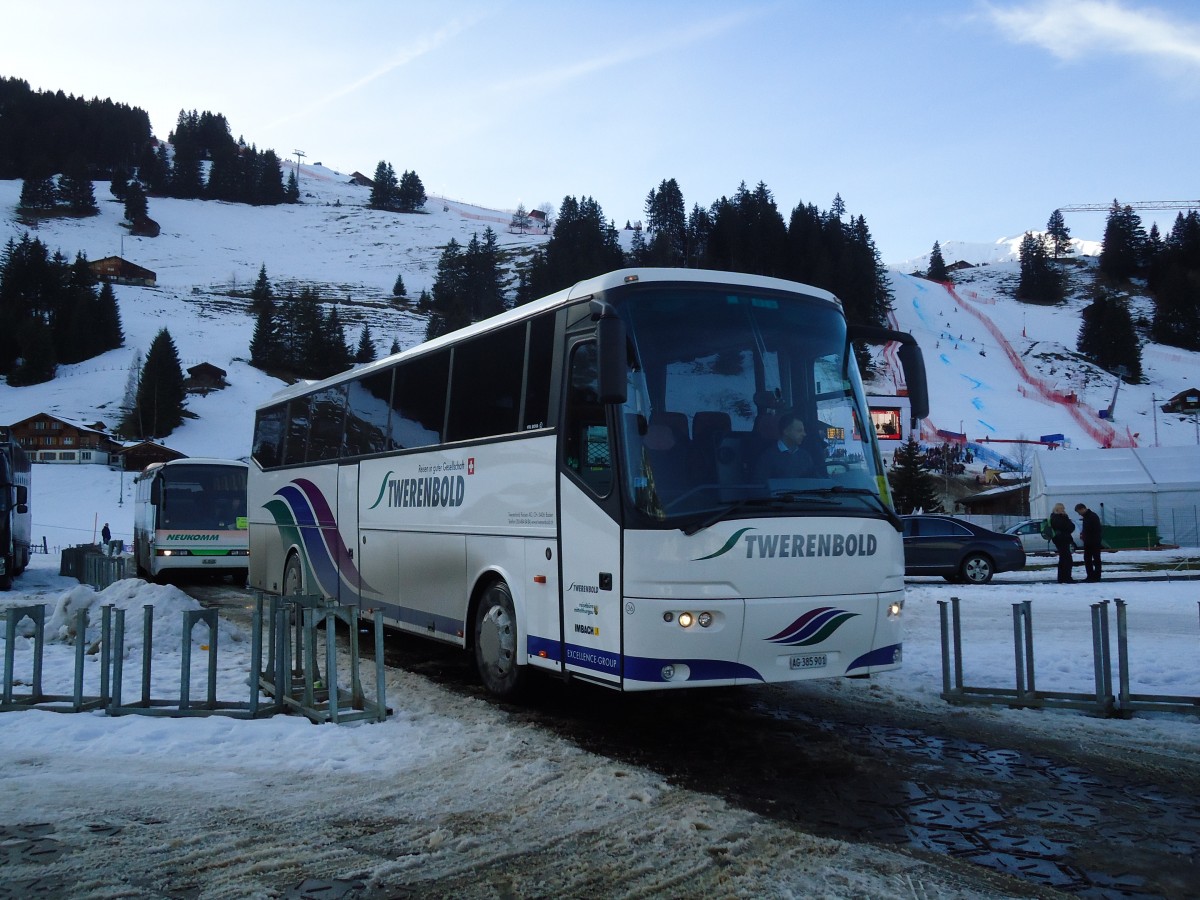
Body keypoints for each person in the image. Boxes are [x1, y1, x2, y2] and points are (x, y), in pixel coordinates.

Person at [756, 412, 819, 481]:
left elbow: (814, 481)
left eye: (803, 431)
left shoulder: (805, 456)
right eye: (799, 431)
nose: (804, 434)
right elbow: (760, 486)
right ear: (786, 431)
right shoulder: (767, 457)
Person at [1049, 502, 1076, 584]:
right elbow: (1066, 526)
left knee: (1064, 559)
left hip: (1063, 540)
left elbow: (1071, 527)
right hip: (1061, 540)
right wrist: (1065, 518)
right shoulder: (1056, 518)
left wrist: (1066, 519)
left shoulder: (1059, 517)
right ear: (1057, 509)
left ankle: (1064, 577)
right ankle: (1066, 577)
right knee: (1066, 559)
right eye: (1062, 509)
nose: (1064, 510)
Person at [1075, 503, 1103, 582]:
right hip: (1090, 541)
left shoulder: (1091, 517)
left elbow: (1094, 529)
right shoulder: (1089, 516)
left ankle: (1095, 577)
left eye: (1078, 512)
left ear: (1082, 509)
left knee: (1095, 559)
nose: (1079, 514)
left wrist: (1086, 536)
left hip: (1093, 541)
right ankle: (1091, 576)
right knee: (1089, 559)